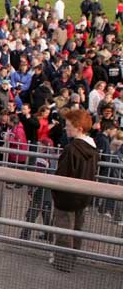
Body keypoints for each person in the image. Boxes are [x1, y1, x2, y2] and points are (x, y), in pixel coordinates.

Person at [50, 109, 100, 272]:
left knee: (64, 231)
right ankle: (71, 261)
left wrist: (55, 193)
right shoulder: (93, 149)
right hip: (83, 196)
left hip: (66, 198)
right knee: (77, 230)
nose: (66, 128)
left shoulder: (71, 149)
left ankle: (62, 264)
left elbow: (61, 175)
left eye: (69, 125)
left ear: (79, 128)